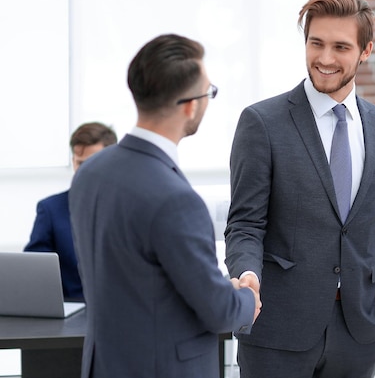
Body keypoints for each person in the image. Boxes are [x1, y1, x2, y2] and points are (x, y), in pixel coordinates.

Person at [225, 0, 375, 378]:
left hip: (361, 332)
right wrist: (247, 274)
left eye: (340, 46)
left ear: (365, 50)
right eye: (316, 43)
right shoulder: (263, 122)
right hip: (276, 328)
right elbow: (244, 224)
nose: (324, 58)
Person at [69, 34, 261, 378]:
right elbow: (218, 311)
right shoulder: (177, 200)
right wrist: (245, 299)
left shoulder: (89, 174)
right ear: (190, 105)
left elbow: (133, 280)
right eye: (209, 92)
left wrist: (217, 290)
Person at [24, 122, 117, 301]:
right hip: (71, 314)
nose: (84, 170)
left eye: (92, 162)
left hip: (120, 314)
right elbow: (34, 272)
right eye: (79, 163)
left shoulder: (130, 206)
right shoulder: (51, 209)